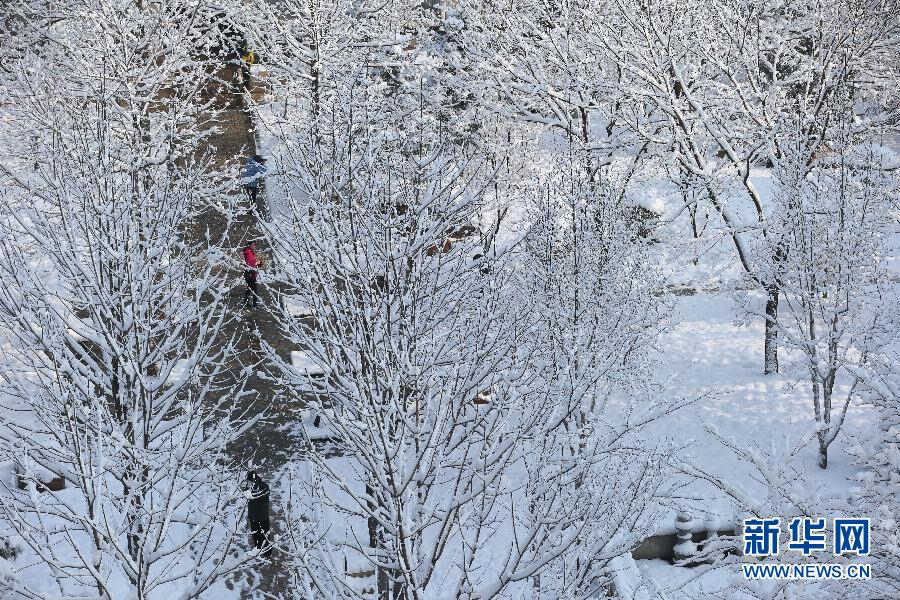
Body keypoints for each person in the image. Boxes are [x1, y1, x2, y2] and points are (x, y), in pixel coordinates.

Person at [245, 471, 271, 556]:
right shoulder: (249, 487)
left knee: (264, 535)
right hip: (253, 516)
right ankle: (258, 550)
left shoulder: (263, 487)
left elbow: (259, 495)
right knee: (255, 535)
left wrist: (253, 487)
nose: (248, 483)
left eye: (249, 481)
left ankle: (267, 553)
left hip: (262, 517)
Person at [243, 240, 260, 308]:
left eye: (255, 245)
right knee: (254, 289)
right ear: (249, 245)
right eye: (253, 245)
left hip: (252, 272)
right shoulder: (248, 252)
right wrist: (258, 263)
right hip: (249, 272)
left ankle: (246, 303)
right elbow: (250, 262)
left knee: (249, 289)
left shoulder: (251, 252)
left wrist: (259, 263)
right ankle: (254, 305)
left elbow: (254, 262)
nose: (254, 246)